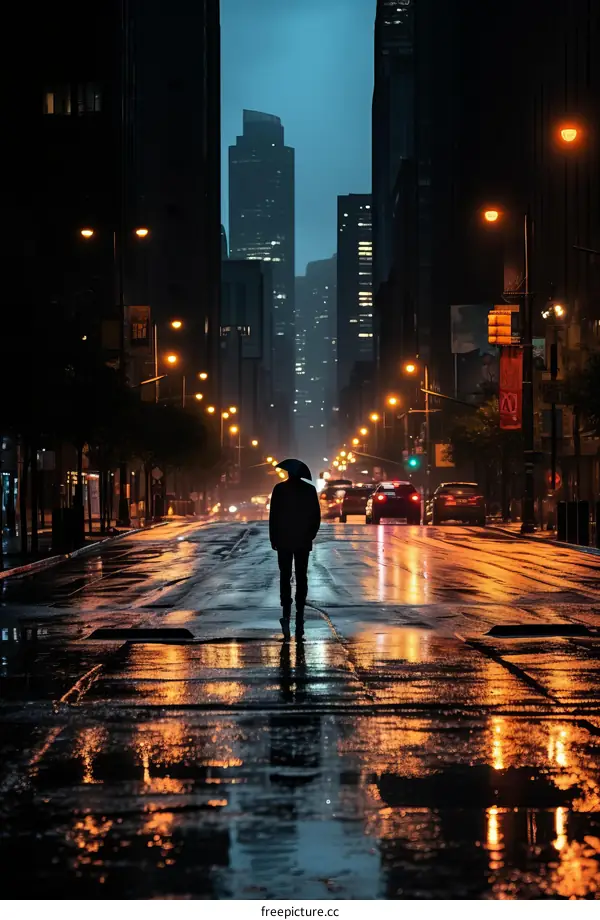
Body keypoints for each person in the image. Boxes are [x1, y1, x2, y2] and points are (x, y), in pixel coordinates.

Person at [269, 459, 321, 639]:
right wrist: (310, 535)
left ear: (289, 472)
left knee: (285, 575)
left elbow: (273, 516)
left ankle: (286, 611)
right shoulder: (309, 490)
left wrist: (273, 538)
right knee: (301, 576)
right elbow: (316, 517)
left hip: (283, 540)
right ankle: (300, 612)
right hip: (302, 540)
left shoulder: (279, 489)